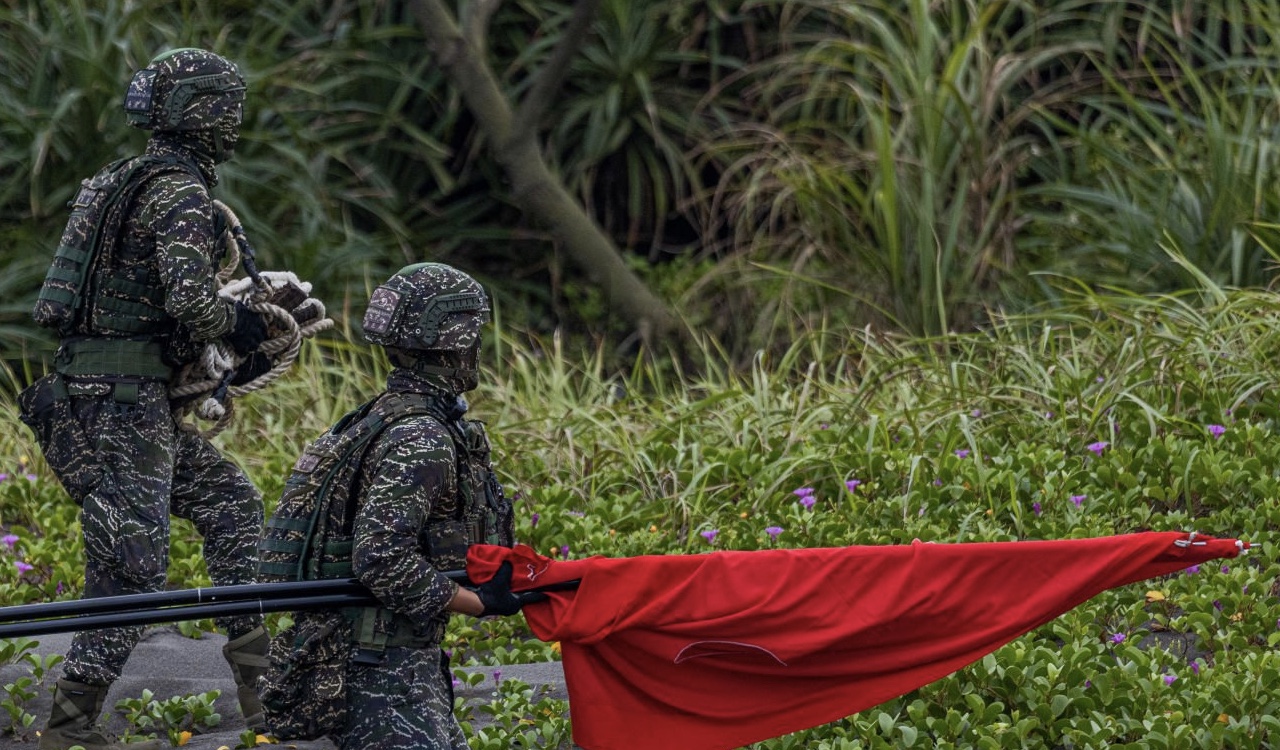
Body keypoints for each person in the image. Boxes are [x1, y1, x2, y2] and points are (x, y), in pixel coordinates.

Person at [23, 48, 271, 750]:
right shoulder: (181, 191)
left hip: (100, 397)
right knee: (130, 569)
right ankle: (69, 731)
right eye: (227, 109)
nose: (235, 124)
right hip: (122, 404)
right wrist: (241, 323)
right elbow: (190, 299)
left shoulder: (115, 180)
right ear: (204, 115)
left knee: (230, 502)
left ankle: (264, 701)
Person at [256, 262, 521, 750]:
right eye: (475, 335)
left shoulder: (381, 416)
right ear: (455, 343)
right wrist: (478, 604)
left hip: (389, 663)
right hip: (380, 673)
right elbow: (381, 559)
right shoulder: (422, 437)